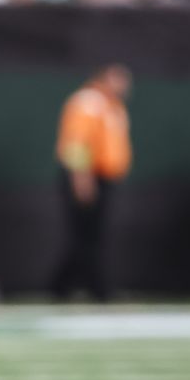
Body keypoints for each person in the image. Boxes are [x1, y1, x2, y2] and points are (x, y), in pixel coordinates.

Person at [51, 63, 133, 301]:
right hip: (87, 175)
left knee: (90, 235)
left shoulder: (112, 106)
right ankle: (99, 290)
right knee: (87, 235)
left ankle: (61, 286)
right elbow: (76, 142)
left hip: (103, 177)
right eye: (119, 79)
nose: (125, 85)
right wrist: (81, 176)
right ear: (103, 77)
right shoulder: (88, 102)